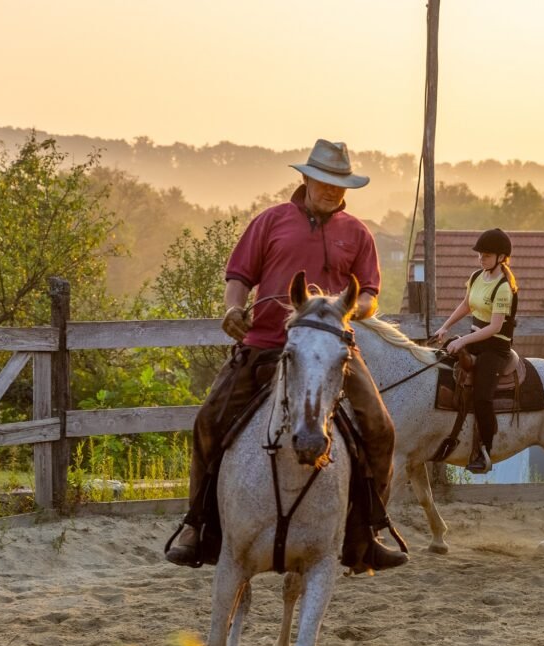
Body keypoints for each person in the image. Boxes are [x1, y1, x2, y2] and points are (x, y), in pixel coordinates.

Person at [165, 138, 407, 573]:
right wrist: (233, 309)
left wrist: (348, 310)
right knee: (209, 420)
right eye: (325, 181)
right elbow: (238, 277)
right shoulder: (271, 221)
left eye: (339, 183)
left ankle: (365, 533)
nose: (332, 190)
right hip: (265, 344)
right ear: (306, 178)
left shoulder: (358, 233)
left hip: (332, 350)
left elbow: (369, 293)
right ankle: (196, 524)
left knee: (380, 427)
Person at [433, 228, 519, 474]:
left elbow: (494, 327)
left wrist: (462, 341)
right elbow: (466, 304)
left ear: (502, 257)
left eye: (487, 255)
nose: (481, 258)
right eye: (480, 254)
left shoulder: (504, 287)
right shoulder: (477, 276)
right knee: (441, 360)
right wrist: (445, 327)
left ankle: (485, 450)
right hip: (475, 338)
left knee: (482, 397)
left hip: (495, 346)